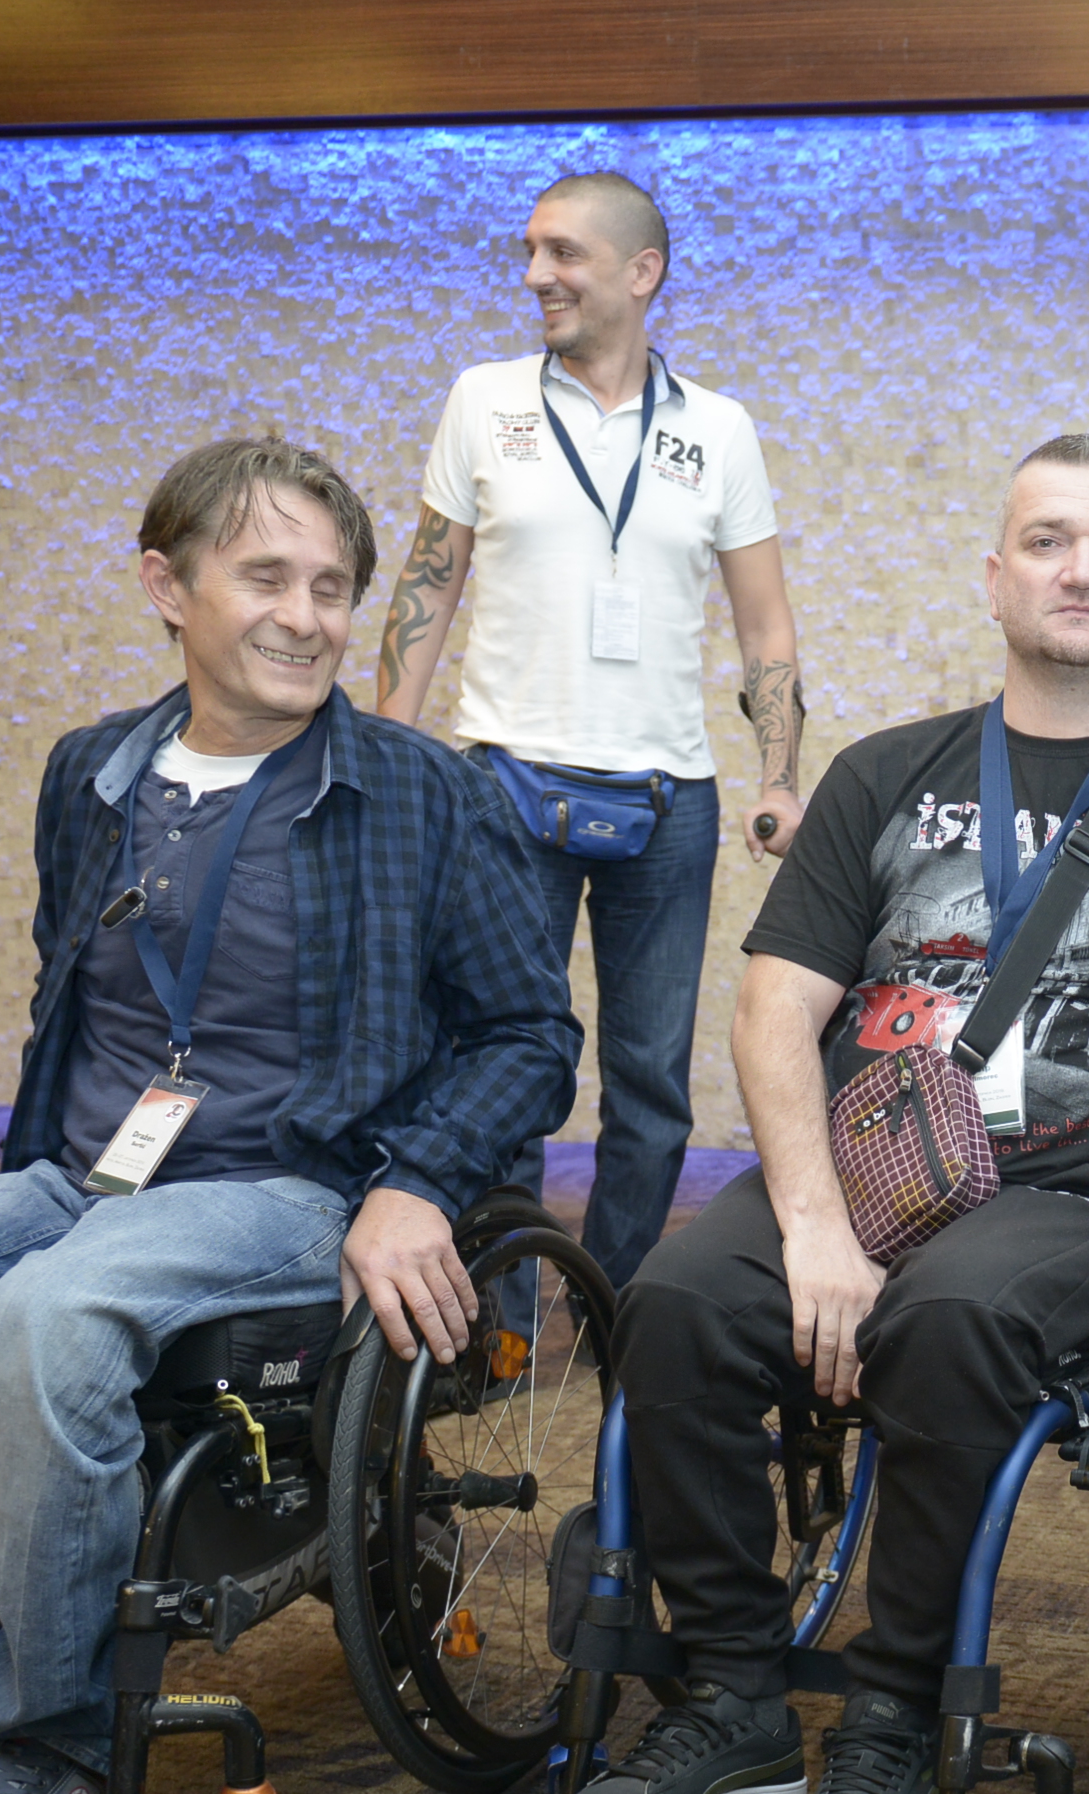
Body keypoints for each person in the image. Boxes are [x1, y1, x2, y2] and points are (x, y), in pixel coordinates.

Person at [0, 436, 579, 1794]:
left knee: (42, 1319)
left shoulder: (422, 793)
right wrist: (38, 1190)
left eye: (331, 587)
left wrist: (418, 1180)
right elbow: (72, 1000)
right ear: (166, 587)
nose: (307, 616)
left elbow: (529, 1035)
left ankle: (47, 1743)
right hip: (86, 1182)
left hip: (292, 1188)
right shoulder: (91, 774)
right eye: (266, 578)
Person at [551, 433, 1089, 1794]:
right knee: (671, 1300)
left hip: (1082, 1200)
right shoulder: (886, 773)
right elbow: (773, 1010)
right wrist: (812, 1227)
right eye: (1048, 540)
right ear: (995, 578)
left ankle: (892, 1713)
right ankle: (734, 1698)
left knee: (948, 1321)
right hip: (864, 1173)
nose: (1082, 569)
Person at [374, 169, 806, 1300]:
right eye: (530, 251)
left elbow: (764, 622)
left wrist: (778, 775)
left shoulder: (717, 428)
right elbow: (427, 583)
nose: (536, 275)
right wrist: (382, 752)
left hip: (669, 801)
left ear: (640, 272)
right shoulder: (484, 401)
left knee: (650, 1087)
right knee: (502, 1065)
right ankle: (501, 1316)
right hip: (500, 786)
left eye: (562, 252)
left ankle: (614, 1309)